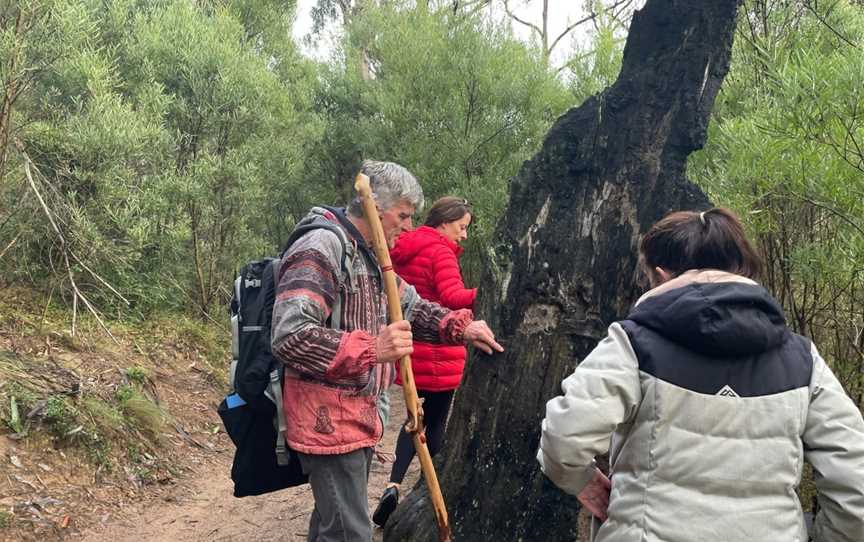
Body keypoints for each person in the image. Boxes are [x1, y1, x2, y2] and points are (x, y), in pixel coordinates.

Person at [537, 207, 864, 542]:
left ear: (661, 275)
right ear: (743, 270)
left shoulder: (633, 343)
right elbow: (857, 485)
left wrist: (584, 483)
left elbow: (563, 439)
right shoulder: (803, 360)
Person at [271, 160, 503, 542]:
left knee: (333, 527)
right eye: (404, 215)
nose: (410, 226)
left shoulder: (370, 255)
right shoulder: (322, 246)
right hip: (326, 422)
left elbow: (411, 304)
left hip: (357, 417)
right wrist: (371, 348)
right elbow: (289, 334)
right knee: (350, 533)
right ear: (376, 208)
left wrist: (462, 327)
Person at [372, 197, 476, 527]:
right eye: (462, 227)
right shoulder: (440, 250)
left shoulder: (402, 247)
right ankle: (430, 490)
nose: (463, 235)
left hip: (410, 350)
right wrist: (485, 292)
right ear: (445, 222)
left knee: (413, 420)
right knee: (437, 424)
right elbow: (451, 297)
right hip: (441, 352)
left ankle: (393, 484)